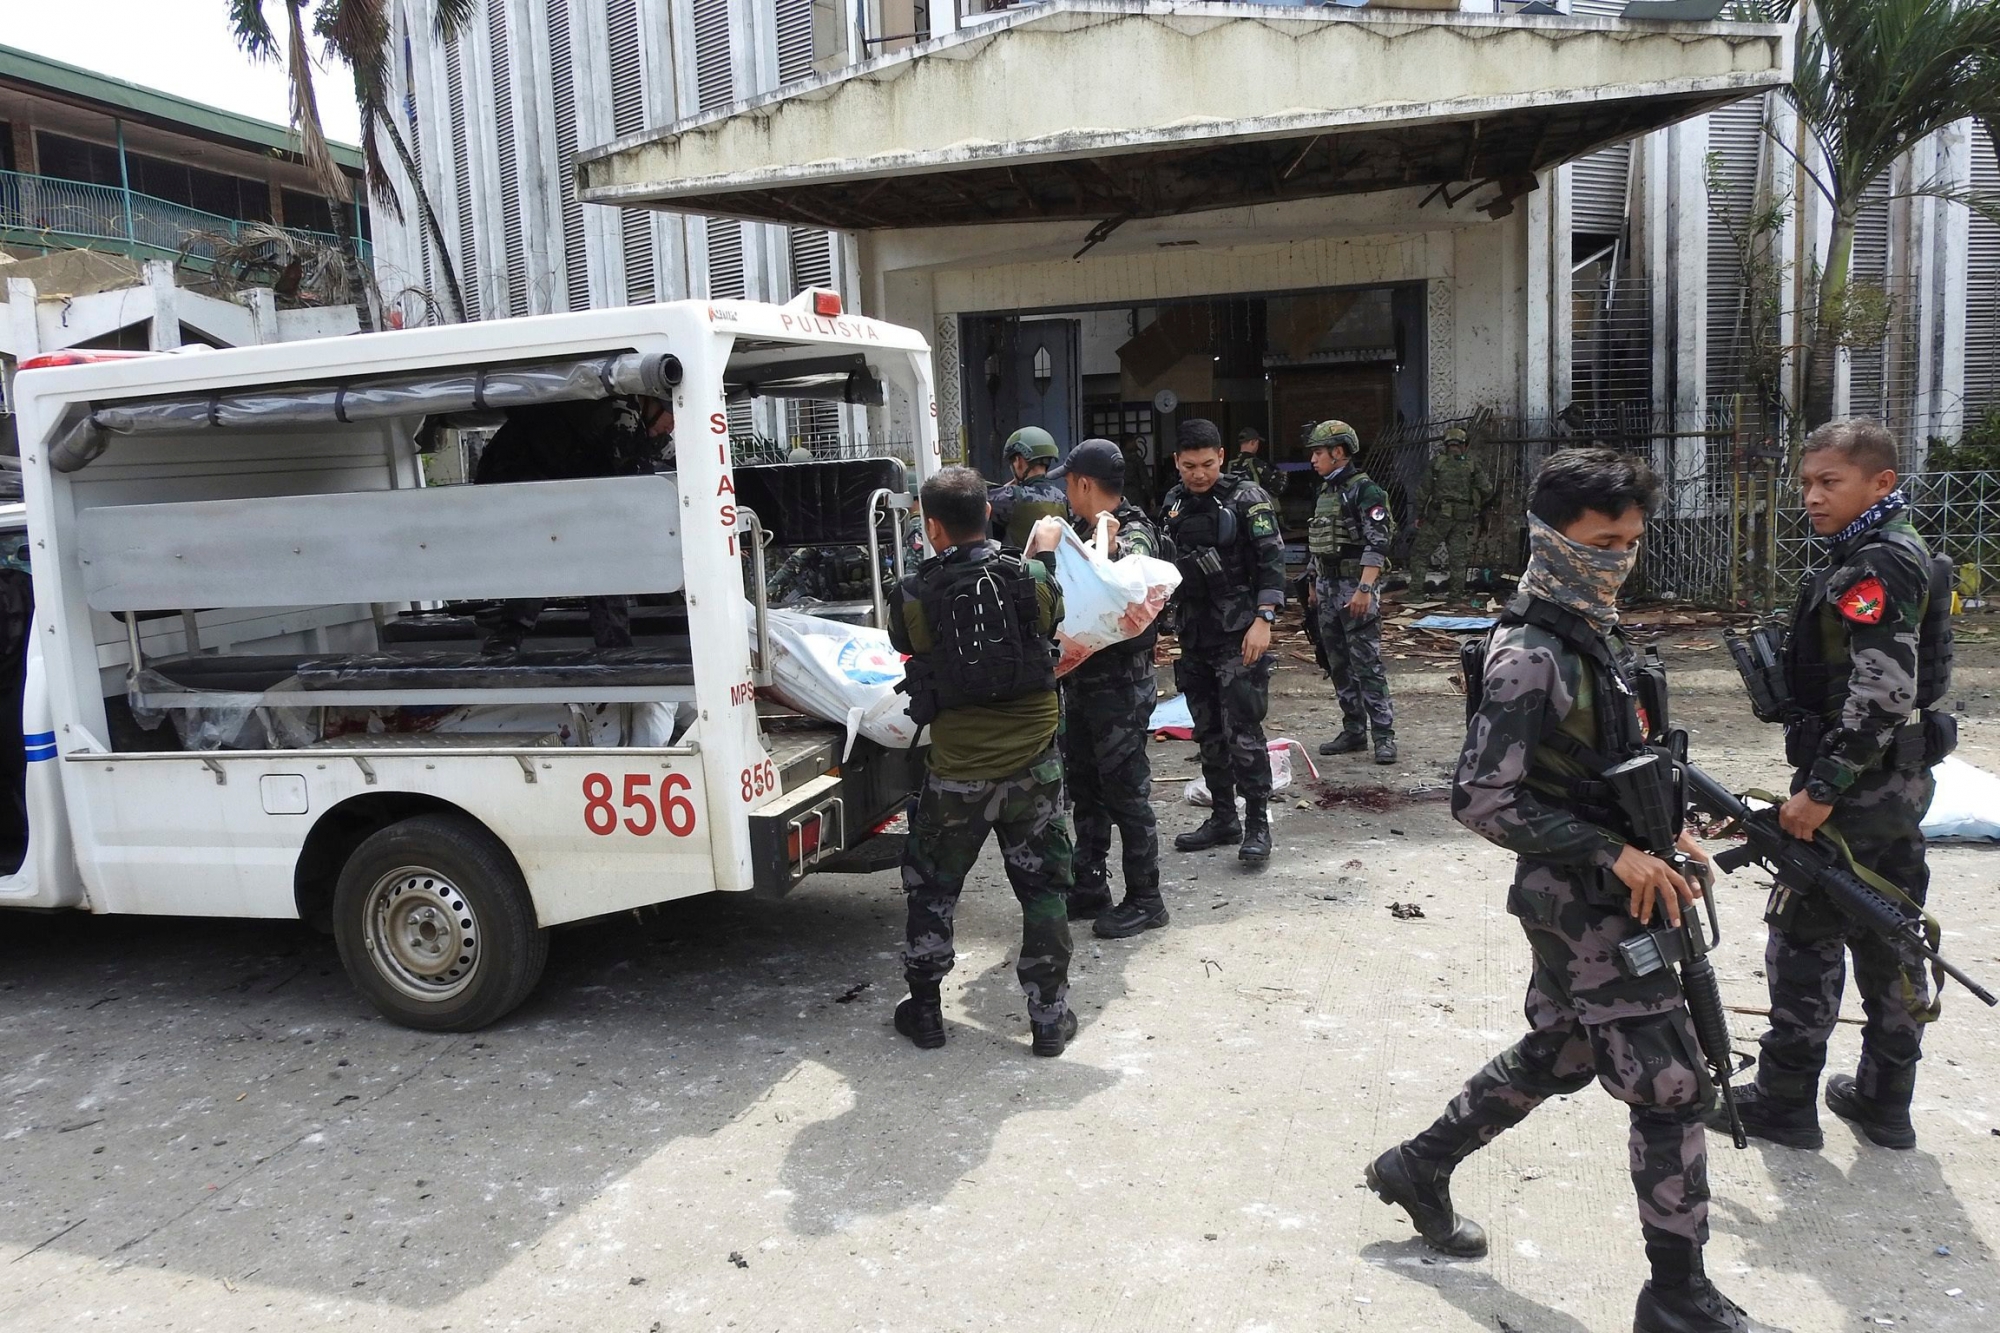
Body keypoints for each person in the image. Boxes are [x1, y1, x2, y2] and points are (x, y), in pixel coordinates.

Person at [1367, 449, 1773, 1333]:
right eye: (1601, 542)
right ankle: (1677, 1298)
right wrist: (1612, 854)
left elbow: (1622, 769)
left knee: (1566, 1050)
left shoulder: (1601, 634)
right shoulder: (1528, 654)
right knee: (1670, 1086)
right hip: (1577, 902)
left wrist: (1675, 838)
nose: (1618, 558)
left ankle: (1416, 1165)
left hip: (1619, 887)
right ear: (1551, 540)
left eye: (1630, 541)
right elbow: (1480, 797)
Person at [1715, 419, 1951, 1154]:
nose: (1811, 497)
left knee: (1807, 932)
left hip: (1857, 785)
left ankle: (1785, 1098)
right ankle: (1886, 1099)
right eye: (1807, 482)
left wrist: (1818, 792)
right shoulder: (1888, 550)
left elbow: (1881, 693)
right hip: (1895, 781)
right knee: (1887, 925)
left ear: (1880, 483)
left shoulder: (1876, 565)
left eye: (1829, 482)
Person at [887, 465, 1078, 1057]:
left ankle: (925, 1013)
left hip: (956, 770)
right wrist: (1040, 558)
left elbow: (904, 643)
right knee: (1043, 889)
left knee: (933, 888)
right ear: (989, 514)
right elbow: (1053, 619)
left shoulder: (912, 593)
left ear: (932, 526)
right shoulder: (1031, 580)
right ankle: (1047, 1018)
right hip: (1033, 766)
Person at [1046, 437, 1167, 938]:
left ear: (1084, 484)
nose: (1067, 497)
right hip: (1082, 685)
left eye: (1069, 487)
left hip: (1121, 687)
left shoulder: (1134, 530)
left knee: (1126, 794)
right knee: (1086, 790)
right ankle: (1089, 882)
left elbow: (1133, 569)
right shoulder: (1076, 530)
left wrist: (1112, 548)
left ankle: (1146, 897)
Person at [1160, 418, 1286, 864]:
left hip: (1239, 633)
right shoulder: (1174, 502)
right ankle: (1222, 817)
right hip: (1194, 631)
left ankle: (1256, 824)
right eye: (1190, 465)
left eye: (1208, 464)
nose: (1199, 473)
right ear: (1177, 461)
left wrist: (1264, 619)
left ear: (1222, 458)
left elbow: (1273, 561)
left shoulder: (1248, 499)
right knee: (1208, 731)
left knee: (1244, 733)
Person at [473, 394, 674, 654]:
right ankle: (614, 649)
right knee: (597, 551)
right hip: (524, 486)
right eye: (674, 414)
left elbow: (653, 450)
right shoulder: (621, 410)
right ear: (654, 403)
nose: (673, 427)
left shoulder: (618, 407)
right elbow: (634, 476)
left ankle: (511, 632)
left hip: (518, 486)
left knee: (582, 544)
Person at [1305, 421, 1397, 765]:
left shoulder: (1365, 491)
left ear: (1338, 452)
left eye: (1318, 452)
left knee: (1366, 664)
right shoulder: (1326, 493)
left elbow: (1379, 541)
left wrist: (1364, 588)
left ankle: (1384, 735)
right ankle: (1354, 730)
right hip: (1329, 589)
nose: (1314, 459)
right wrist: (1313, 584)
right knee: (1338, 662)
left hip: (1354, 587)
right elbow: (1319, 543)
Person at [1416, 425, 1493, 600]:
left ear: (1446, 445)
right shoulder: (1472, 466)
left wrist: (1419, 514)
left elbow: (1423, 491)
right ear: (1463, 445)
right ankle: (1456, 595)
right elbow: (1487, 489)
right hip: (1462, 517)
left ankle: (1415, 593)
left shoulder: (1437, 464)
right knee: (1458, 558)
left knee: (1421, 553)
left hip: (1438, 517)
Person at [988, 426, 1068, 549]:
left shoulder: (1012, 497)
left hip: (1021, 567)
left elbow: (974, 499)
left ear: (1019, 461)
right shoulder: (1063, 498)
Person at [1227, 425, 1277, 496]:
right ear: (1253, 442)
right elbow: (1277, 488)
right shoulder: (1257, 464)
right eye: (1257, 443)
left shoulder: (1230, 465)